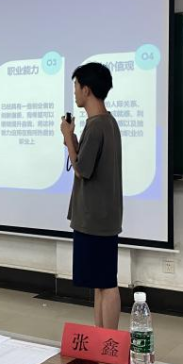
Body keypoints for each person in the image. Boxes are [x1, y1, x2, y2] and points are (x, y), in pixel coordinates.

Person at [61, 63, 123, 330]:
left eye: (76, 86)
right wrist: (73, 140)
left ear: (87, 89)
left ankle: (109, 341)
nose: (75, 92)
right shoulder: (106, 122)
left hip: (95, 218)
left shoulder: (97, 126)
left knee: (106, 283)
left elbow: (82, 170)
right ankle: (101, 340)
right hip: (100, 216)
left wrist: (67, 138)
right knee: (100, 282)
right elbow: (86, 163)